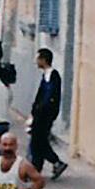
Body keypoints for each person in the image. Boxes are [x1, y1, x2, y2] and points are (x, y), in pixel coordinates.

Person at [28, 47, 66, 179]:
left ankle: (50, 163)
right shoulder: (46, 75)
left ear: (44, 60)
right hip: (41, 113)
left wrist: (40, 109)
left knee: (38, 141)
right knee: (39, 140)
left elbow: (48, 96)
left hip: (45, 115)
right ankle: (39, 166)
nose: (36, 61)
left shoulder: (52, 76)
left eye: (38, 58)